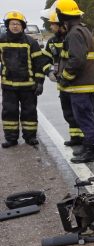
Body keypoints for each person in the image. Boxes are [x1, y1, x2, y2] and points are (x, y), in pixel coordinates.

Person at [55, 0, 94, 163]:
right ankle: (88, 148)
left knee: (84, 118)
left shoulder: (74, 33)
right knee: (85, 117)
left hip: (79, 85)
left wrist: (65, 78)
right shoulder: (82, 30)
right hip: (83, 85)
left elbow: (77, 60)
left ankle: (90, 151)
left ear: (62, 15)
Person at [0, 11, 47, 148]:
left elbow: (39, 64)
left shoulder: (31, 42)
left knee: (29, 113)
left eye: (18, 24)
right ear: (7, 25)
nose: (15, 26)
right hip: (8, 86)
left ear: (23, 26)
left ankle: (30, 137)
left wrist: (40, 83)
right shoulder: (1, 40)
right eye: (12, 24)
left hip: (28, 86)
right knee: (9, 112)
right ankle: (11, 139)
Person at [42, 11, 84, 147]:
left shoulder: (73, 37)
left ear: (61, 25)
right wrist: (49, 71)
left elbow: (78, 60)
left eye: (53, 25)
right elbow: (44, 59)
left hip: (75, 82)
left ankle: (86, 140)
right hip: (62, 83)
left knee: (81, 112)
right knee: (68, 112)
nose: (51, 28)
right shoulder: (52, 41)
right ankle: (75, 137)